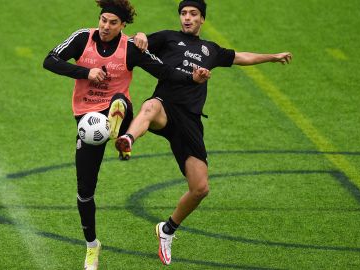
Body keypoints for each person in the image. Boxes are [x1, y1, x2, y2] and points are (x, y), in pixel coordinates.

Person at [115, 0, 292, 265]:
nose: (187, 18)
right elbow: (137, 43)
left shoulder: (211, 50)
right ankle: (127, 138)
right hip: (165, 108)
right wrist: (139, 35)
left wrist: (272, 57)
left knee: (200, 188)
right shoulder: (168, 38)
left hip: (190, 122)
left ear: (202, 19)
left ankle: (167, 230)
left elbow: (241, 57)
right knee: (150, 105)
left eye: (193, 14)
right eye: (184, 13)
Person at [43, 0, 210, 269]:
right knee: (85, 191)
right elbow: (49, 60)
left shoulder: (130, 48)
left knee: (120, 100)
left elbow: (164, 70)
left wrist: (193, 78)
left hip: (120, 109)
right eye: (103, 20)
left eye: (112, 23)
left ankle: (122, 132)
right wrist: (87, 72)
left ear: (123, 27)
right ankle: (92, 246)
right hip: (87, 119)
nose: (105, 26)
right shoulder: (82, 38)